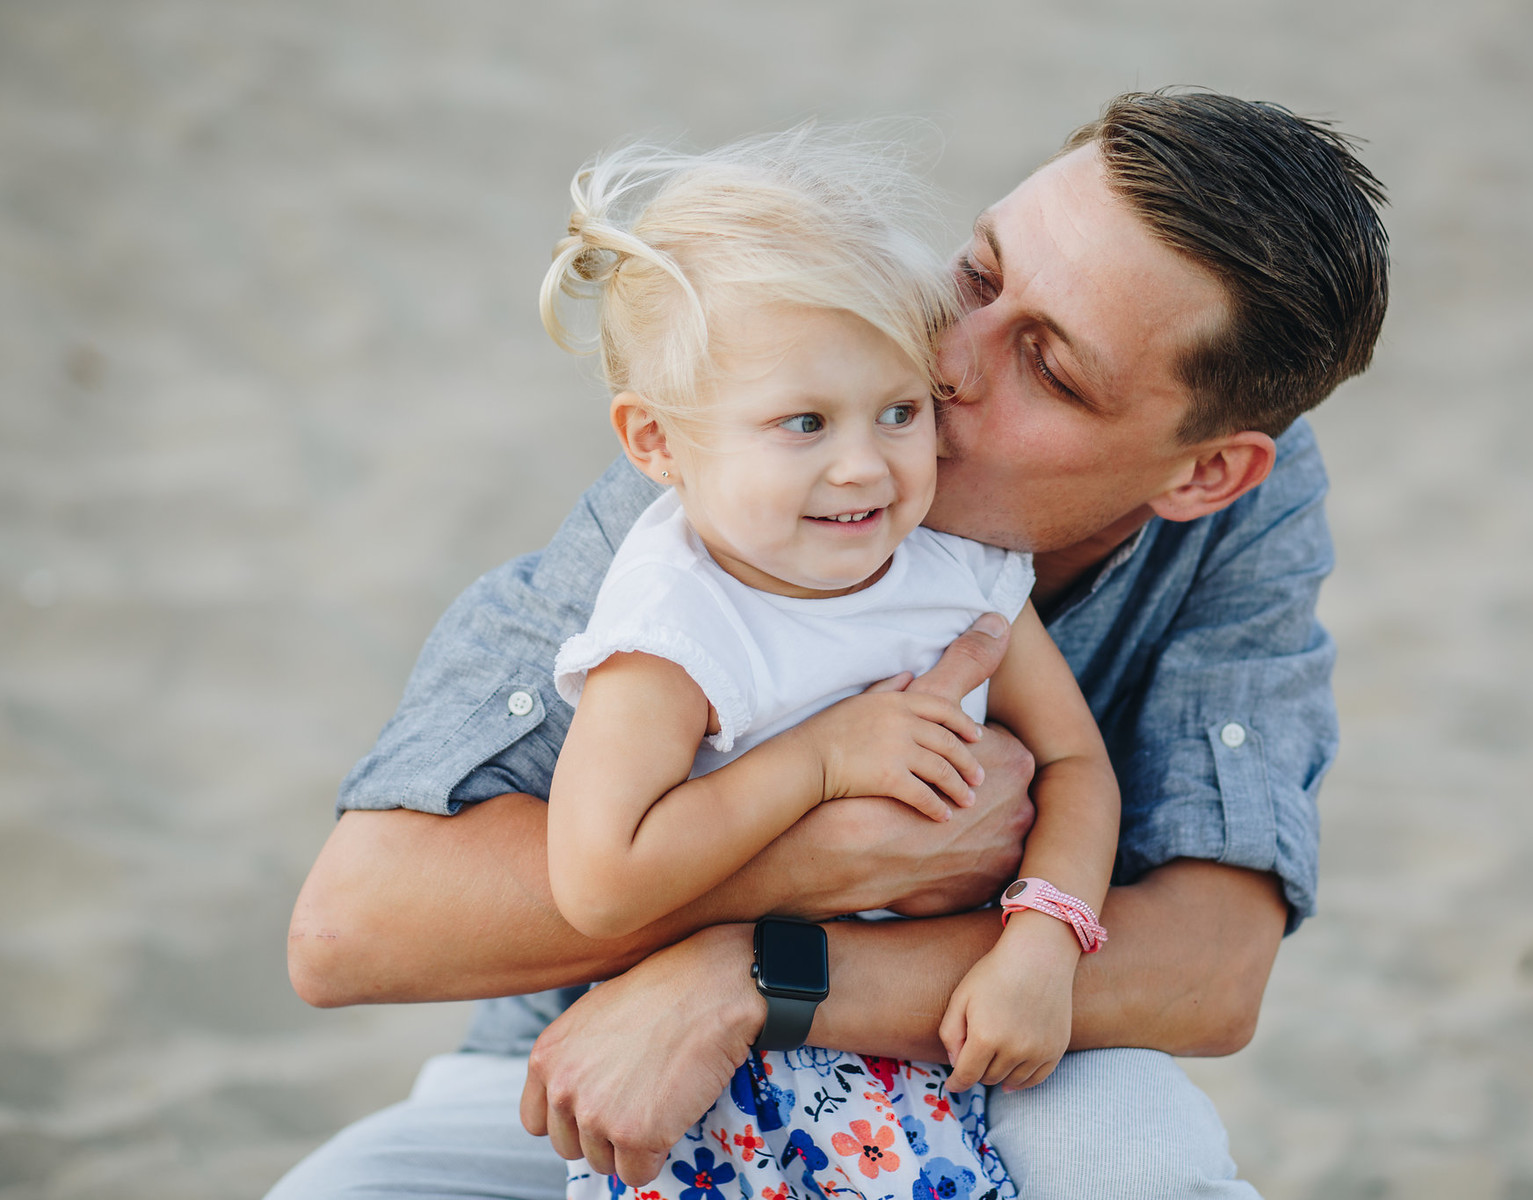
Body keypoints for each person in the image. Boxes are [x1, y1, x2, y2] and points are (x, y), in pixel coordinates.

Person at [274, 87, 1389, 1200]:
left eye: (1048, 367)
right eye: (980, 275)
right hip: (589, 1053)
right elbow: (351, 928)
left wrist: (759, 975)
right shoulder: (753, 455)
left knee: (1132, 1164)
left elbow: (1210, 970)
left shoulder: (1249, 509)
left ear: (1202, 475)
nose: (942, 359)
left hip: (976, 1042)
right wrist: (824, 854)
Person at [537, 130, 1118, 1199]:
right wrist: (819, 761)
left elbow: (1077, 764)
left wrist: (1043, 941)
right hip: (715, 1090)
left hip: (925, 1032)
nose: (864, 464)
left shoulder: (956, 569)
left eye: (899, 411)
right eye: (803, 423)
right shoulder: (678, 625)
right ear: (658, 442)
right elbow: (597, 881)